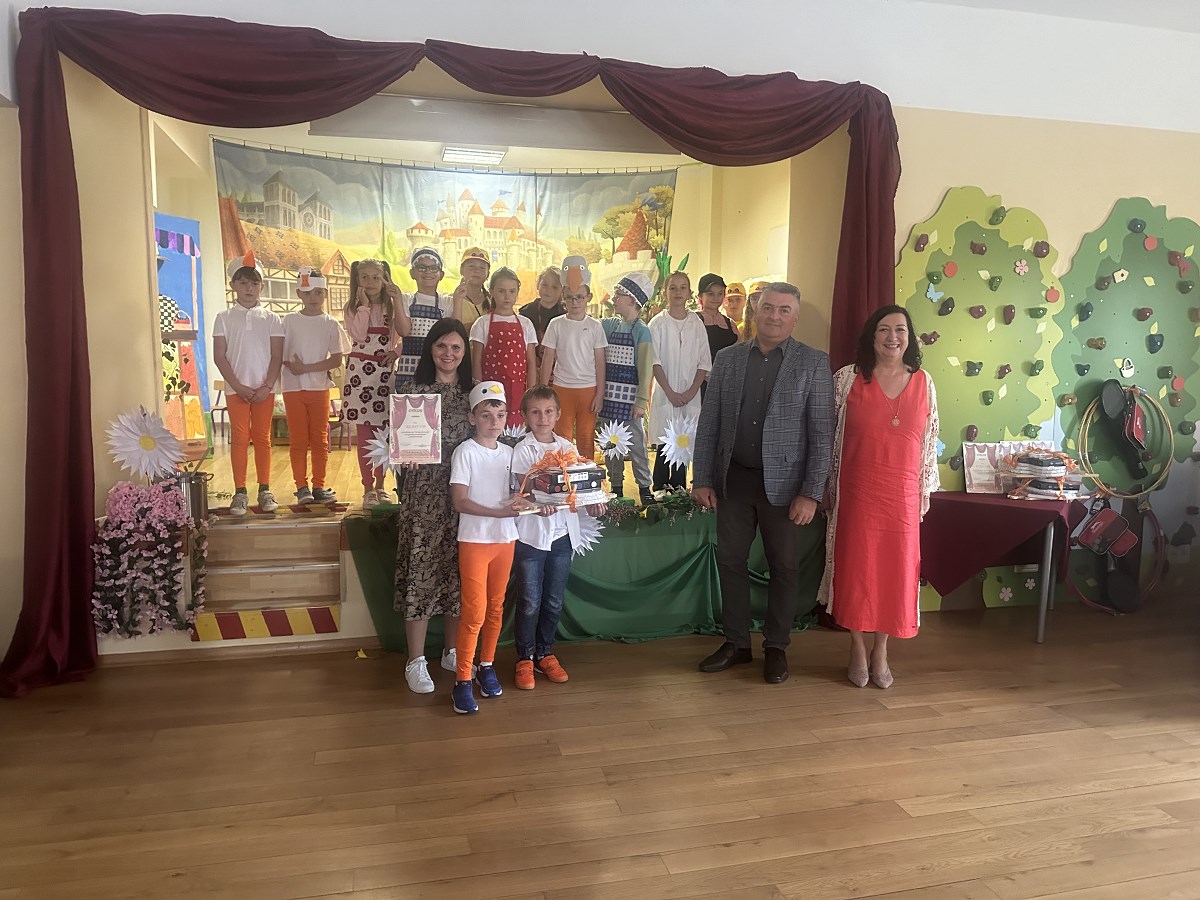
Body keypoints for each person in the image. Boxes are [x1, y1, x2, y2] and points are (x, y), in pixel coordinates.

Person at [692, 282, 834, 685]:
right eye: (768, 307)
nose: (774, 316)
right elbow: (710, 422)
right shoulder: (728, 359)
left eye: (784, 310)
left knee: (784, 567)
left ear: (795, 318)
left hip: (786, 489)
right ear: (756, 310)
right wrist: (702, 477)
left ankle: (776, 647)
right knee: (730, 562)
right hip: (733, 480)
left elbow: (822, 433)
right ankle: (737, 643)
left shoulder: (813, 363)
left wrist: (810, 493)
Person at [818, 305, 940, 689]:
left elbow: (930, 443)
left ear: (910, 337)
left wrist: (923, 494)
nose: (892, 337)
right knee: (856, 572)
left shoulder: (924, 382)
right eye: (884, 329)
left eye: (900, 329)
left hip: (901, 499)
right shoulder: (846, 379)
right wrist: (823, 486)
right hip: (857, 494)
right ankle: (856, 647)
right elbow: (825, 436)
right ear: (872, 337)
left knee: (894, 573)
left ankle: (881, 650)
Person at [393, 318, 474, 694]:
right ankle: (416, 660)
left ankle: (451, 652)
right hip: (423, 496)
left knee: (458, 573)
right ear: (430, 349)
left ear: (465, 352)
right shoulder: (413, 392)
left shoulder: (474, 394)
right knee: (421, 571)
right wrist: (402, 455)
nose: (449, 353)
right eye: (442, 346)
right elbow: (397, 444)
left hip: (463, 496)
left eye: (456, 347)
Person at [511, 386, 606, 690]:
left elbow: (578, 488)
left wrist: (594, 503)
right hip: (531, 537)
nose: (542, 418)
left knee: (553, 600)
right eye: (535, 412)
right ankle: (524, 658)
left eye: (548, 411)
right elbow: (523, 491)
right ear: (525, 415)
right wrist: (539, 503)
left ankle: (545, 653)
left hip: (562, 535)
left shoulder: (568, 447)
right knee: (529, 600)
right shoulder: (523, 450)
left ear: (558, 414)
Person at [448, 381, 534, 714]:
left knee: (496, 608)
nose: (494, 422)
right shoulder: (465, 452)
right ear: (473, 418)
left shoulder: (510, 453)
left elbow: (521, 492)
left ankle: (486, 665)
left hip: (504, 540)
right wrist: (499, 513)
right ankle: (462, 681)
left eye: (500, 415)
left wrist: (539, 503)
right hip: (475, 540)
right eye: (486, 415)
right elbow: (460, 501)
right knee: (475, 612)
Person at [212, 252, 284, 516]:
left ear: (261, 286)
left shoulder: (272, 318)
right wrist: (238, 386)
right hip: (236, 389)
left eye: (254, 283)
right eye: (243, 283)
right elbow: (220, 356)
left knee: (263, 438)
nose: (249, 288)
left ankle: (265, 489)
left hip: (265, 390)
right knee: (240, 438)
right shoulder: (224, 317)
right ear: (233, 285)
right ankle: (240, 491)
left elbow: (277, 355)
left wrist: (267, 386)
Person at [281, 268, 347, 505]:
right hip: (293, 389)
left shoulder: (330, 324)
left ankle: (318, 486)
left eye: (318, 292)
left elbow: (336, 359)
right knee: (298, 438)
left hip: (319, 388)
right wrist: (292, 366)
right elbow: (278, 352)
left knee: (320, 438)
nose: (313, 297)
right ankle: (301, 487)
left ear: (325, 294)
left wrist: (306, 368)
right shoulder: (288, 321)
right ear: (299, 293)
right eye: (307, 292)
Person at [343, 257, 400, 509]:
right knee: (365, 435)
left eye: (376, 277)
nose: (370, 282)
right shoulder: (352, 308)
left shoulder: (393, 308)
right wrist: (365, 307)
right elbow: (358, 335)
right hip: (359, 377)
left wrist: (396, 352)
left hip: (384, 375)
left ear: (385, 279)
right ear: (357, 280)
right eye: (364, 277)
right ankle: (367, 487)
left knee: (384, 434)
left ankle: (381, 485)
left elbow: (404, 335)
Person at [540, 256, 607, 460]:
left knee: (586, 437)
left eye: (579, 297)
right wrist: (543, 389)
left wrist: (600, 393)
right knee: (562, 437)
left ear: (588, 297)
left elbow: (600, 362)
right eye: (570, 297)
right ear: (563, 298)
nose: (575, 302)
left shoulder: (595, 327)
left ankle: (587, 476)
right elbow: (548, 358)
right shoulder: (556, 324)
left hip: (588, 389)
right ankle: (564, 474)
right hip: (562, 388)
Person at [648, 271, 711, 490]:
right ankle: (659, 490)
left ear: (690, 293)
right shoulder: (657, 324)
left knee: (684, 441)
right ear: (665, 292)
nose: (678, 292)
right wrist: (670, 392)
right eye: (672, 288)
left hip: (690, 394)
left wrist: (691, 391)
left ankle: (680, 490)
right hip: (666, 393)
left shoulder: (696, 323)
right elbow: (654, 361)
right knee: (664, 443)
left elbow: (704, 361)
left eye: (683, 287)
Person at [599, 273, 655, 505]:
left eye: (619, 295)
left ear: (632, 300)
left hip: (631, 402)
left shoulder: (642, 331)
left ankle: (644, 488)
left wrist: (641, 401)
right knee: (611, 444)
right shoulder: (609, 325)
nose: (614, 298)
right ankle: (616, 487)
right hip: (609, 399)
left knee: (637, 445)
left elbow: (645, 368)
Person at [469, 267, 537, 427]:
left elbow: (531, 362)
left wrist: (531, 393)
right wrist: (479, 389)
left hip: (518, 391)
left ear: (517, 292)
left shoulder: (526, 324)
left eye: (512, 291)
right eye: (501, 291)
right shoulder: (482, 323)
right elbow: (476, 361)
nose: (507, 296)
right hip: (490, 390)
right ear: (491, 291)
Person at [394, 247, 453, 381]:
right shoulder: (405, 299)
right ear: (412, 273)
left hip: (437, 367)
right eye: (421, 267)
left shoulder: (447, 302)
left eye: (433, 268)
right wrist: (396, 299)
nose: (427, 272)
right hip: (409, 368)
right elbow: (403, 331)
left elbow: (452, 335)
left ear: (441, 274)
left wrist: (459, 300)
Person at [696, 272, 739, 399]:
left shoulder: (730, 323)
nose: (715, 298)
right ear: (700, 296)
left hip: (727, 383)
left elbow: (739, 353)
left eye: (720, 293)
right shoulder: (693, 321)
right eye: (710, 294)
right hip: (699, 383)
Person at [519, 266, 565, 371]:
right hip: (530, 366)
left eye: (555, 287)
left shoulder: (566, 314)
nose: (548, 290)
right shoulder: (526, 313)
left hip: (559, 369)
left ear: (562, 290)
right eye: (544, 285)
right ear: (538, 284)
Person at [452, 246, 491, 329]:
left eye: (482, 268)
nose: (477, 270)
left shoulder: (492, 301)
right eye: (471, 266)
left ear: (488, 274)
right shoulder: (450, 300)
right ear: (461, 270)